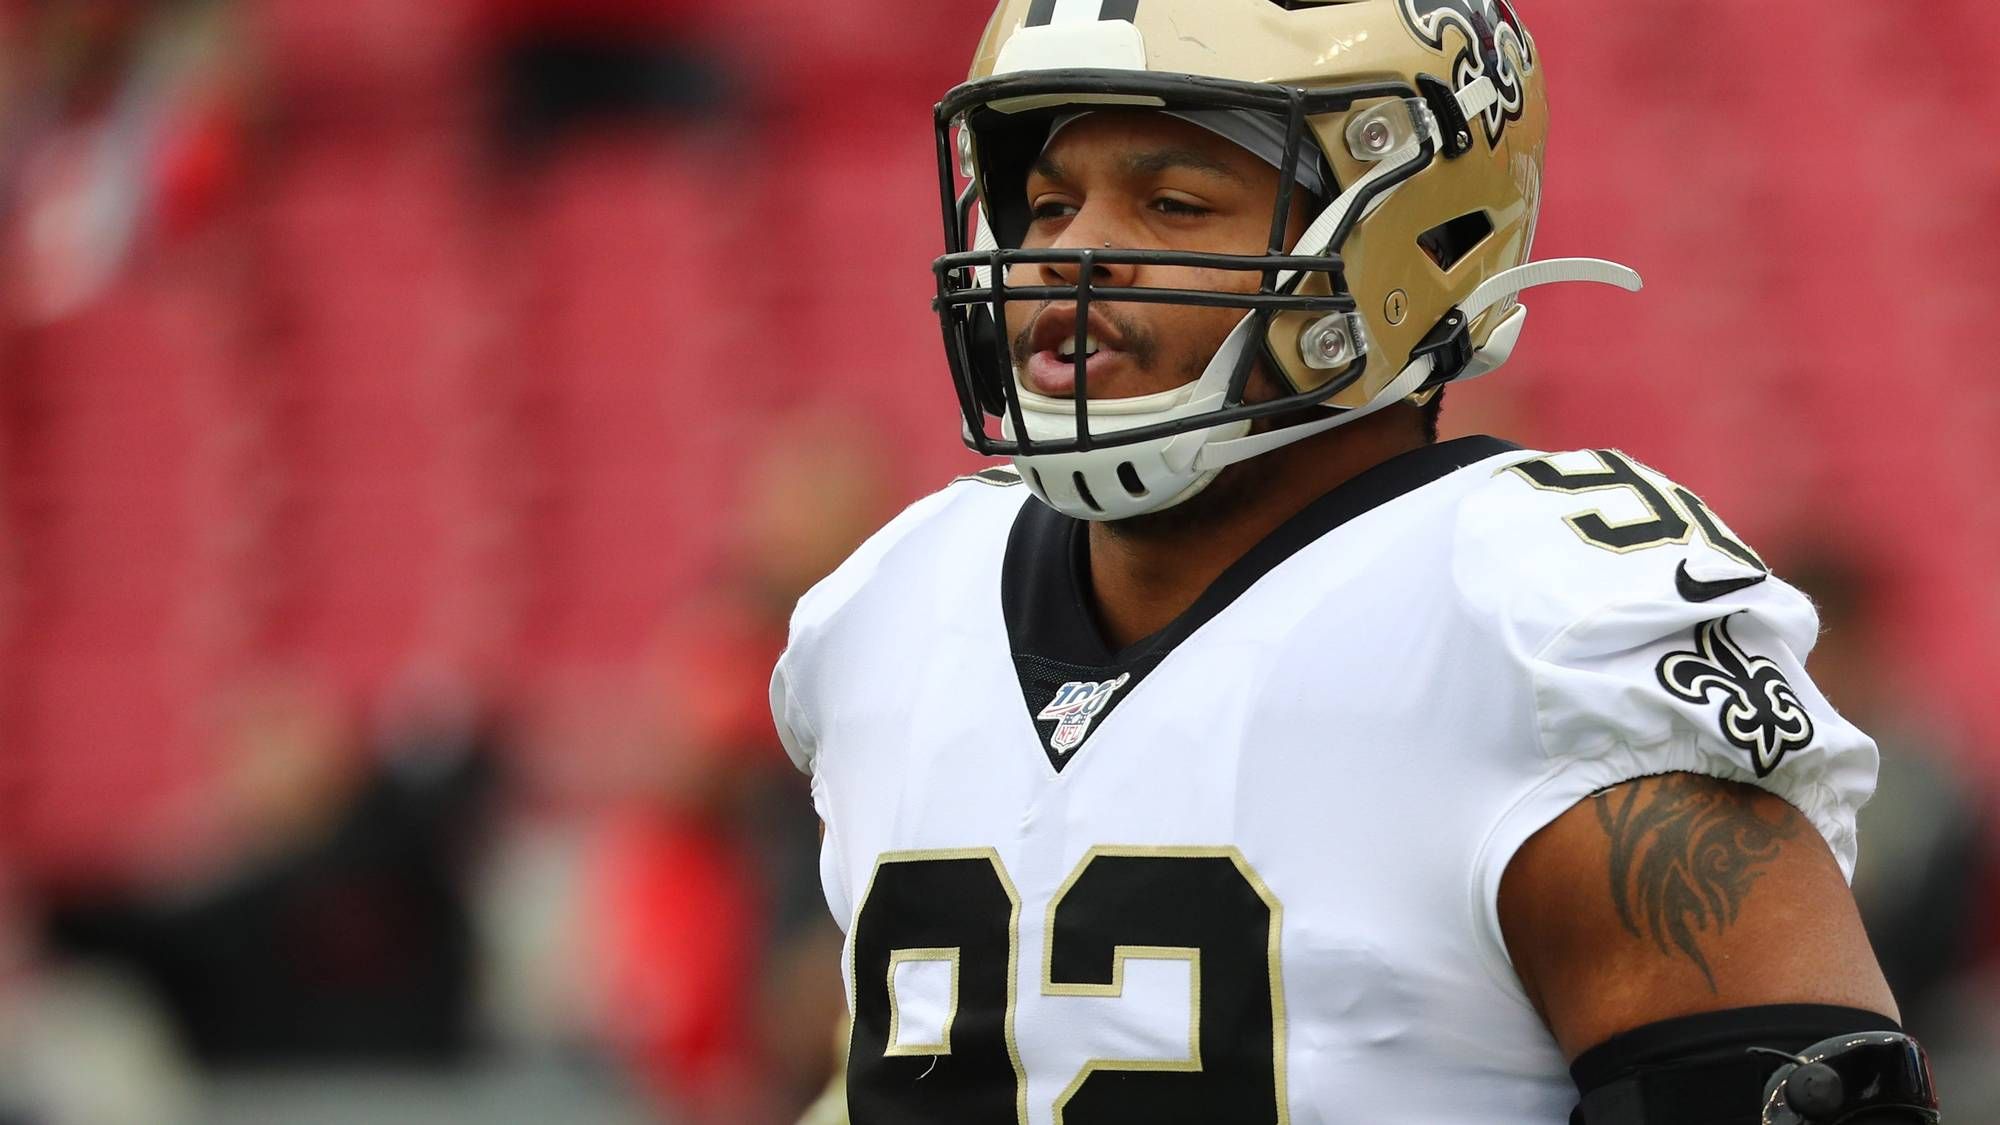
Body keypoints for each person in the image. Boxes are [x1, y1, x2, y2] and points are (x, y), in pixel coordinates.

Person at [770, 2, 1941, 1122]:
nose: (1073, 252)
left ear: (1413, 236)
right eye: (1047, 202)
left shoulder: (1543, 625)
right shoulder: (891, 607)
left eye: (1171, 202)